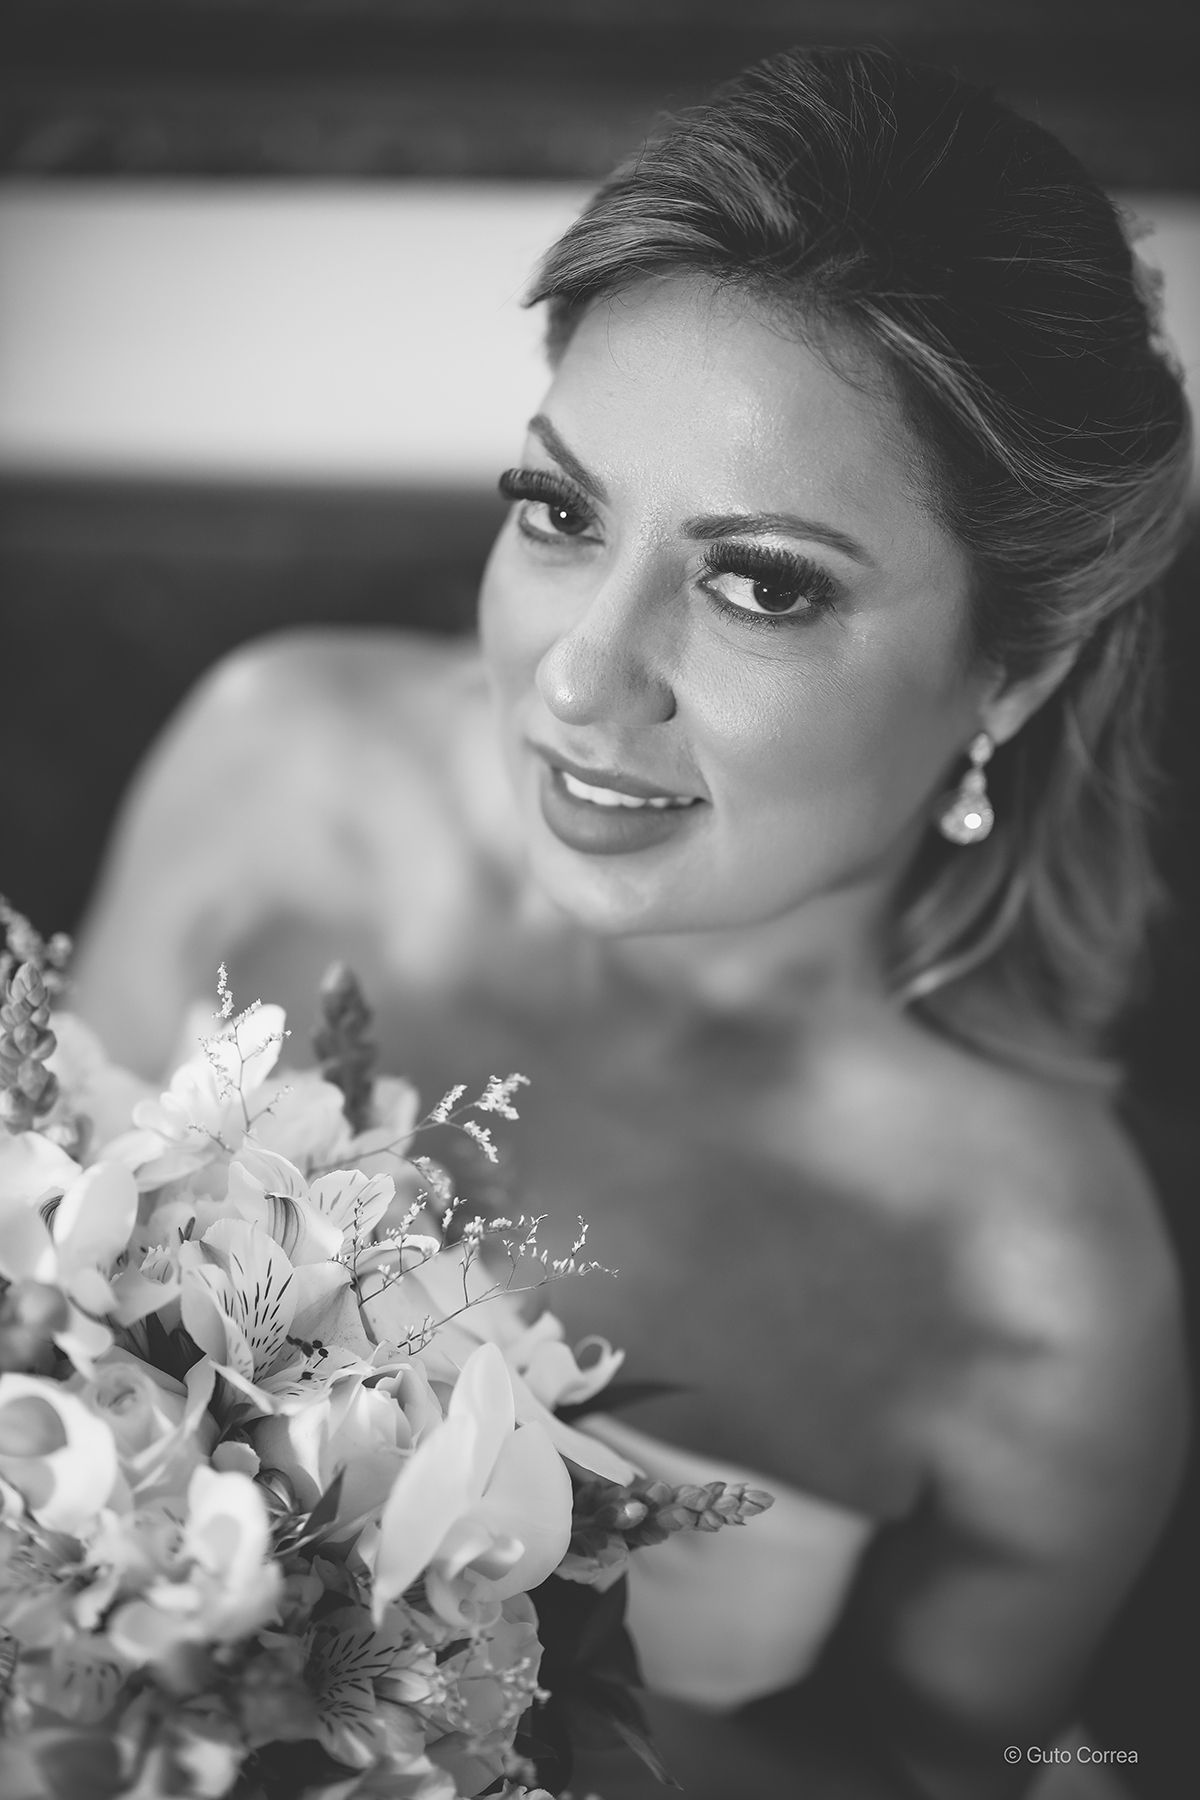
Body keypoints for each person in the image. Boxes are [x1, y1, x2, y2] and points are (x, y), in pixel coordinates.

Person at [72, 48, 1190, 1800]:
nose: (581, 680)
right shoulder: (273, 770)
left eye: (763, 583)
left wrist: (441, 1712)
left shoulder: (1039, 1286)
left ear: (1015, 668)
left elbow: (992, 1766)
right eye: (561, 510)